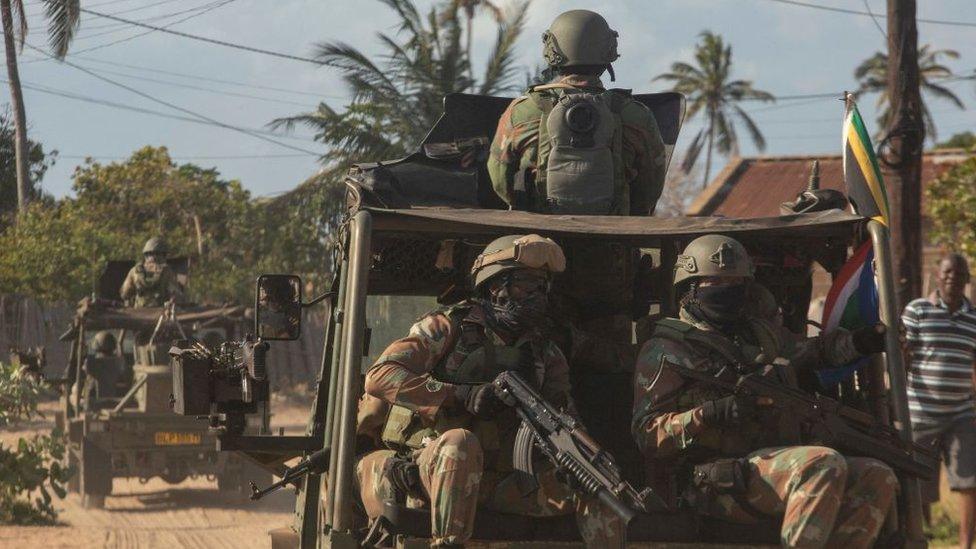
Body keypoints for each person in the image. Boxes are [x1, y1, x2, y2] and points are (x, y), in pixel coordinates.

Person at [354, 234, 623, 547]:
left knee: (599, 484)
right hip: (435, 471)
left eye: (543, 286)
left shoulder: (544, 351)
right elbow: (380, 375)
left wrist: (578, 458)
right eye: (526, 284)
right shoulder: (446, 328)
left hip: (507, 482)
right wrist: (458, 396)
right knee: (460, 443)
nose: (537, 295)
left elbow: (565, 416)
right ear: (496, 287)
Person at [631, 234, 897, 548]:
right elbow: (647, 434)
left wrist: (860, 342)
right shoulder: (666, 349)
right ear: (690, 290)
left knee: (877, 476)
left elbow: (813, 351)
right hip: (714, 480)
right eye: (716, 284)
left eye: (736, 283)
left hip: (772, 463)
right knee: (822, 464)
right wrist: (710, 414)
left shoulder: (760, 335)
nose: (727, 292)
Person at [486, 9, 666, 217]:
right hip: (613, 241)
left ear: (551, 50)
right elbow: (650, 187)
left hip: (536, 237)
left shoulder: (523, 112)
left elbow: (499, 177)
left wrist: (522, 209)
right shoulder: (636, 115)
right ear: (609, 50)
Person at [902, 253, 976, 548]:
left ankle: (965, 544)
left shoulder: (974, 318)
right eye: (946, 273)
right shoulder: (917, 310)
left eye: (958, 274)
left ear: (967, 279)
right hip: (921, 412)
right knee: (917, 482)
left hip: (962, 413)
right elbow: (903, 356)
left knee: (969, 481)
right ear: (936, 275)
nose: (951, 278)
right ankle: (920, 537)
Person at [120, 237, 184, 308]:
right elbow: (177, 296)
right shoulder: (167, 271)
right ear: (163, 255)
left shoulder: (134, 271)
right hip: (160, 314)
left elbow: (125, 294)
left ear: (146, 254)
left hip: (138, 313)